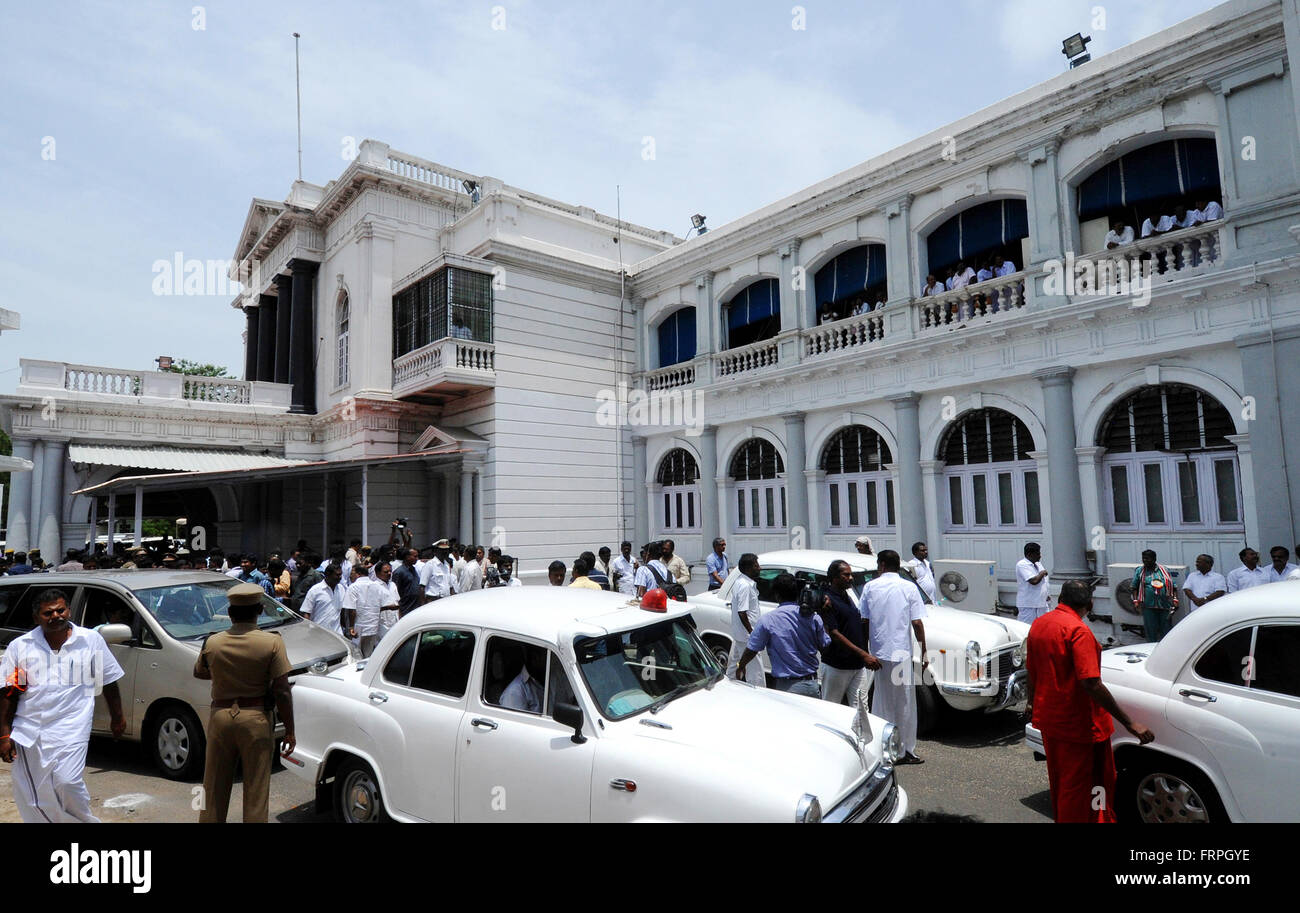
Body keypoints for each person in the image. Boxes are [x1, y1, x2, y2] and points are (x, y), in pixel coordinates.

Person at [1025, 580, 1154, 823]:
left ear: (1059, 598)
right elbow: (1091, 683)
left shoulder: (1040, 624)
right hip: (1079, 725)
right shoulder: (1078, 631)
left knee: (1063, 781)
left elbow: (1032, 668)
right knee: (1089, 785)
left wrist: (1032, 703)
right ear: (1090, 604)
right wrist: (1130, 723)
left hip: (1050, 720)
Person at [0, 588, 126, 822]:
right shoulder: (21, 646)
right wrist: (4, 735)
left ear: (68, 609)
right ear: (37, 618)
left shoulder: (90, 640)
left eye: (61, 610)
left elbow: (108, 681)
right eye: (48, 613)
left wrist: (117, 718)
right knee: (34, 795)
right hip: (30, 730)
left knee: (68, 783)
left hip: (72, 727)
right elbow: (7, 694)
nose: (56, 616)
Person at [194, 582, 294, 823]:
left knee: (213, 784)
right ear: (259, 610)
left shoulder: (213, 642)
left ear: (229, 613)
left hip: (220, 716)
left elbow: (200, 672)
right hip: (256, 717)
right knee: (256, 788)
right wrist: (290, 731)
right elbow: (281, 690)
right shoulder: (272, 642)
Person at [861, 550, 927, 764]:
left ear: (881, 565)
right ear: (897, 566)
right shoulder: (908, 587)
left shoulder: (870, 587)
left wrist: (865, 651)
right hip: (901, 653)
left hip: (879, 653)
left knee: (881, 700)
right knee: (905, 702)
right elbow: (917, 623)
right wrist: (924, 651)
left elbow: (865, 621)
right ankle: (906, 749)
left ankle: (884, 748)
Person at [736, 573, 828, 697]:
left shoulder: (768, 620)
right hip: (812, 685)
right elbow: (824, 644)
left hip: (786, 687)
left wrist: (741, 666)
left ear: (777, 595)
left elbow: (752, 649)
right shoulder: (814, 618)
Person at [819, 559, 881, 706]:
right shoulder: (827, 600)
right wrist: (864, 654)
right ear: (834, 578)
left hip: (857, 665)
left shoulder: (847, 597)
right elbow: (834, 633)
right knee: (831, 707)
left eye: (851, 574)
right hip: (837, 665)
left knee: (861, 708)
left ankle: (860, 730)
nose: (851, 578)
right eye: (846, 575)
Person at [727, 554, 763, 686]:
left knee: (733, 667)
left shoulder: (742, 582)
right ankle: (758, 698)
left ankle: (729, 688)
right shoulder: (745, 586)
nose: (759, 568)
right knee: (755, 673)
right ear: (748, 568)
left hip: (740, 635)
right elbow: (742, 612)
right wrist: (752, 632)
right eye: (756, 566)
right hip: (746, 636)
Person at [1130, 550, 1178, 642]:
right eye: (1143, 558)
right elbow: (1134, 587)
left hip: (1165, 605)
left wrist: (1175, 600)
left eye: (1148, 558)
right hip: (1148, 606)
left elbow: (1173, 586)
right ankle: (1151, 649)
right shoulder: (1140, 571)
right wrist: (1135, 601)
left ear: (1154, 559)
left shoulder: (1164, 570)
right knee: (1151, 631)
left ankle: (1167, 650)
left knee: (1167, 630)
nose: (1145, 560)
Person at [301, 564, 346, 635]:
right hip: (318, 634)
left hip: (337, 634)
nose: (340, 577)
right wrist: (308, 630)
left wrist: (345, 627)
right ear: (328, 575)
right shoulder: (315, 590)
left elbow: (342, 611)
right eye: (337, 575)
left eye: (341, 575)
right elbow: (306, 612)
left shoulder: (341, 589)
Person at [500, 647, 545, 713]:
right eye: (545, 656)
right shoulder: (515, 691)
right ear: (535, 658)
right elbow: (515, 722)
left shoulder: (550, 680)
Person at [1015, 543, 1051, 624]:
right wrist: (1042, 573)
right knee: (1026, 628)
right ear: (1029, 554)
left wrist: (1045, 594)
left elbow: (1043, 582)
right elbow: (1034, 581)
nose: (1040, 556)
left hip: (1041, 603)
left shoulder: (1038, 564)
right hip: (1029, 604)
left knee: (1043, 627)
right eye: (1037, 554)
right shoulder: (1022, 564)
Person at [392, 548, 426, 618]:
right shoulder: (399, 572)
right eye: (415, 556)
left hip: (416, 606)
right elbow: (395, 591)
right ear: (407, 557)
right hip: (406, 607)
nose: (417, 559)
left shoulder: (413, 569)